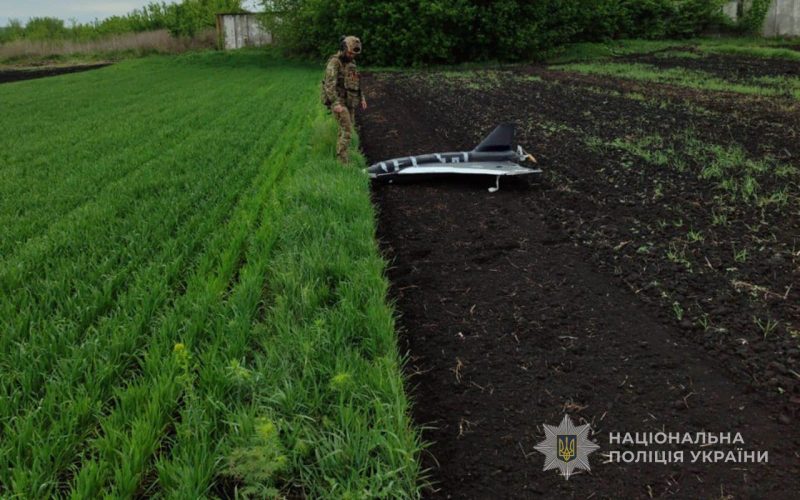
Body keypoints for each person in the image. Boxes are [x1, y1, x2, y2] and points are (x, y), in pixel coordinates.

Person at [323, 35, 367, 164]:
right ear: (343, 49)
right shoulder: (335, 62)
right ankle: (342, 162)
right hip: (339, 101)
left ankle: (342, 154)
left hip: (349, 101)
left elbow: (356, 82)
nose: (352, 56)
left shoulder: (352, 63)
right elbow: (329, 84)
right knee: (347, 129)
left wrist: (362, 97)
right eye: (350, 53)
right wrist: (335, 103)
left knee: (346, 128)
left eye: (354, 54)